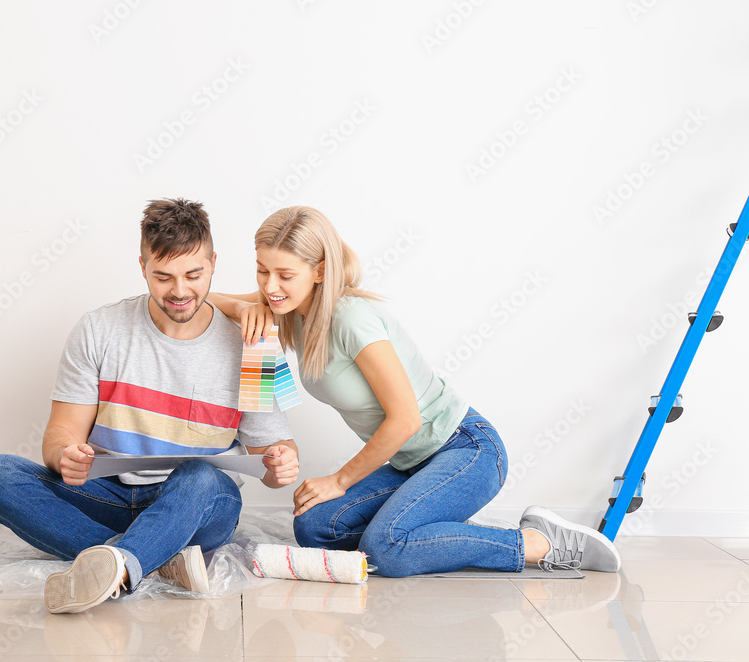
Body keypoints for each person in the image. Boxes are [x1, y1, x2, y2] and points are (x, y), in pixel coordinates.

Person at [210, 206, 620, 576]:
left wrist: (339, 480)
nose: (270, 285)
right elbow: (204, 299)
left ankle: (539, 543)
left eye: (285, 275)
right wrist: (246, 307)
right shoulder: (290, 308)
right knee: (314, 527)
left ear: (319, 271)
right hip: (412, 465)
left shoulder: (351, 318)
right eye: (263, 271)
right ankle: (429, 531)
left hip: (467, 450)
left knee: (385, 549)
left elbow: (405, 419)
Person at [0, 198, 300, 613]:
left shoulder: (249, 346)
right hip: (110, 496)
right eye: (163, 276)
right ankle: (149, 560)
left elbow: (274, 461)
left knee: (201, 478)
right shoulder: (100, 329)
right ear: (142, 266)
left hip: (195, 505)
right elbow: (60, 436)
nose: (180, 291)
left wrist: (280, 465)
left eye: (193, 275)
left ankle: (120, 559)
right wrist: (66, 455)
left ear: (214, 263)